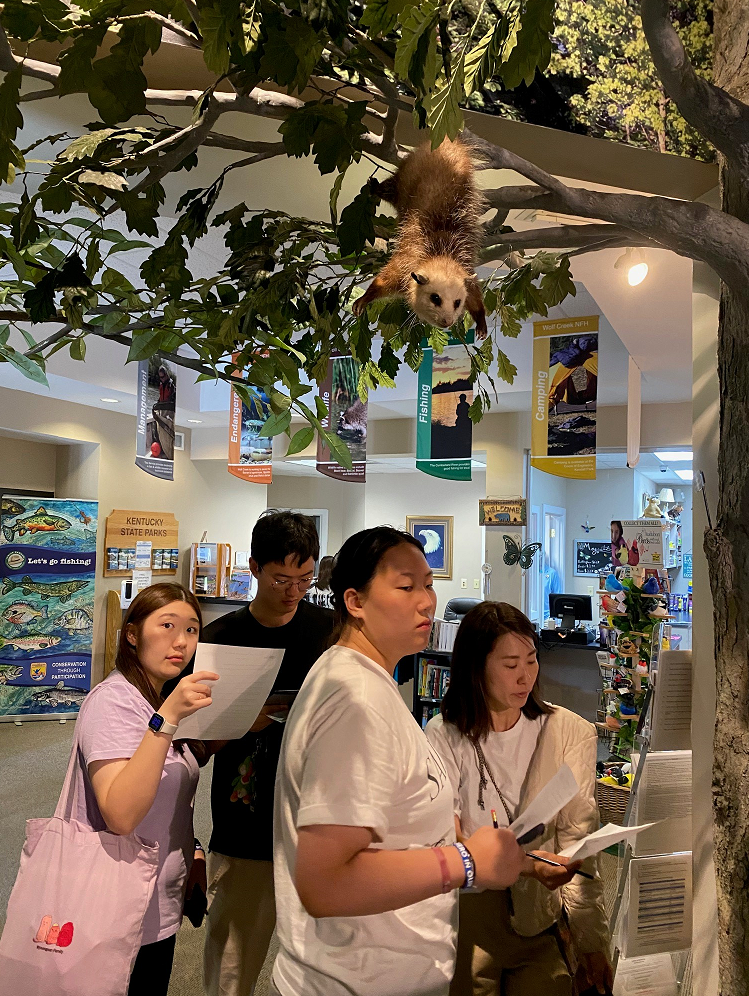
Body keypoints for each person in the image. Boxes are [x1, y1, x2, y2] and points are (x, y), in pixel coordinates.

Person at [272, 527, 556, 996]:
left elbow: (399, 833)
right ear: (355, 601)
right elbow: (325, 881)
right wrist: (465, 861)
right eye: (406, 587)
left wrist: (510, 861)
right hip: (353, 982)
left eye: (428, 584)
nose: (427, 602)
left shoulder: (364, 683)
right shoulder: (356, 702)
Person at [426, 602, 613, 996]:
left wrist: (591, 940)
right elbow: (446, 837)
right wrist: (527, 865)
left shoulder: (567, 732)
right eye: (510, 665)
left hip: (539, 914)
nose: (525, 676)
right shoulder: (444, 735)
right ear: (476, 667)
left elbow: (578, 841)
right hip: (470, 911)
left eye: (531, 660)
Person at [198, 510, 335, 996]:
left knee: (323, 964)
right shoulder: (220, 639)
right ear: (254, 568)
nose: (294, 591)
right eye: (281, 579)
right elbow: (194, 745)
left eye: (305, 578)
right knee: (233, 961)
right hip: (245, 821)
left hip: (320, 818)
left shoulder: (331, 632)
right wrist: (243, 721)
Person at [74, 583, 217, 995]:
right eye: (167, 625)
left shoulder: (156, 697)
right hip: (116, 903)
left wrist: (193, 850)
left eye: (191, 629)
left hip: (157, 898)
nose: (181, 641)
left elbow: (169, 784)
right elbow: (121, 814)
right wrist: (167, 719)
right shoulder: (114, 702)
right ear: (133, 634)